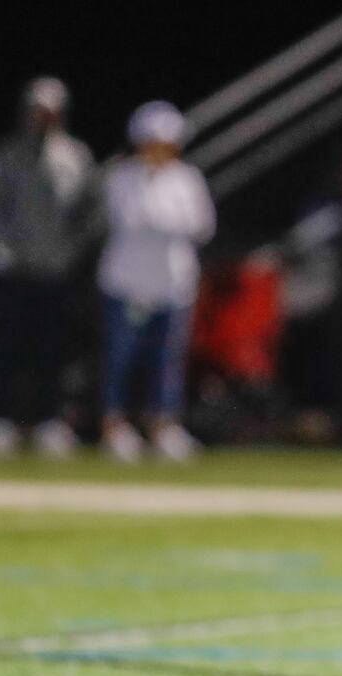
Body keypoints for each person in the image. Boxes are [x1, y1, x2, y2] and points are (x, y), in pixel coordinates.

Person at [0, 76, 102, 458]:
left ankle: (50, 421)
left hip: (57, 272)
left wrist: (72, 252)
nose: (43, 118)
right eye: (37, 110)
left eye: (50, 111)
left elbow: (93, 213)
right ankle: (1, 420)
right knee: (6, 347)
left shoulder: (76, 157)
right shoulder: (5, 155)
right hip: (15, 270)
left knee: (54, 351)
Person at [97, 100, 216, 463]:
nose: (160, 150)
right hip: (127, 286)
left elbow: (201, 226)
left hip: (172, 286)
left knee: (167, 361)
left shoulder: (187, 179)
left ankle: (163, 426)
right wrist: (165, 221)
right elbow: (129, 220)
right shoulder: (121, 177)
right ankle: (114, 425)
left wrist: (161, 221)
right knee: (122, 358)